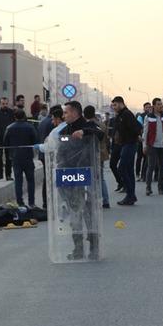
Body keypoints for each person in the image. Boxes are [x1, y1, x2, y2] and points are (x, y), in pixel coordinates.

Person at [57, 101, 104, 260]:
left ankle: (94, 248)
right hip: (70, 177)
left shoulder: (88, 126)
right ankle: (78, 249)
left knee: (90, 213)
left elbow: (100, 133)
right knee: (74, 214)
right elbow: (59, 152)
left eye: (66, 113)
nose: (63, 116)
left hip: (87, 176)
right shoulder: (64, 131)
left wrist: (84, 132)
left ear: (76, 113)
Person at [4, 109, 38, 207]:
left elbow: (5, 143)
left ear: (15, 117)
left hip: (15, 158)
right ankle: (31, 202)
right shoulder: (30, 127)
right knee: (31, 180)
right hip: (28, 157)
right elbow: (35, 140)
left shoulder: (9, 128)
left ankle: (20, 202)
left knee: (18, 181)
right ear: (24, 116)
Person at [112, 96, 141, 206]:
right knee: (128, 170)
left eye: (115, 105)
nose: (114, 107)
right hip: (125, 144)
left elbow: (137, 127)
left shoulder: (126, 114)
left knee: (122, 169)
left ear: (120, 103)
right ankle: (131, 196)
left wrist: (135, 136)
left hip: (129, 144)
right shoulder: (120, 115)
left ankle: (130, 194)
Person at [141, 98, 163, 196]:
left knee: (162, 167)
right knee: (151, 166)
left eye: (161, 104)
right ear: (153, 106)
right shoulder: (148, 117)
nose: (160, 106)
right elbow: (145, 132)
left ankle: (160, 188)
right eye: (158, 104)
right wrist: (144, 145)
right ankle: (148, 188)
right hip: (152, 145)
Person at [84, 105, 111, 208]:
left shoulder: (87, 126)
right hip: (102, 152)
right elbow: (107, 139)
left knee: (91, 178)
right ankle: (105, 200)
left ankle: (93, 200)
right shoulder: (102, 124)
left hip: (92, 154)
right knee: (100, 178)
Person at [39, 106, 64, 208]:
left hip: (52, 157)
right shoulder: (59, 128)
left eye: (54, 120)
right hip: (54, 158)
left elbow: (49, 145)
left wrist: (40, 147)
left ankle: (48, 202)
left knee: (49, 179)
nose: (52, 122)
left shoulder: (44, 123)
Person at [135, 102, 151, 181]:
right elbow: (138, 128)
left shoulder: (152, 116)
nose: (148, 108)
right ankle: (137, 174)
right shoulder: (140, 117)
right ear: (144, 108)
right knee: (139, 157)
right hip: (141, 140)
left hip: (148, 140)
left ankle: (144, 175)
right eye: (146, 107)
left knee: (146, 158)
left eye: (149, 107)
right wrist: (139, 136)